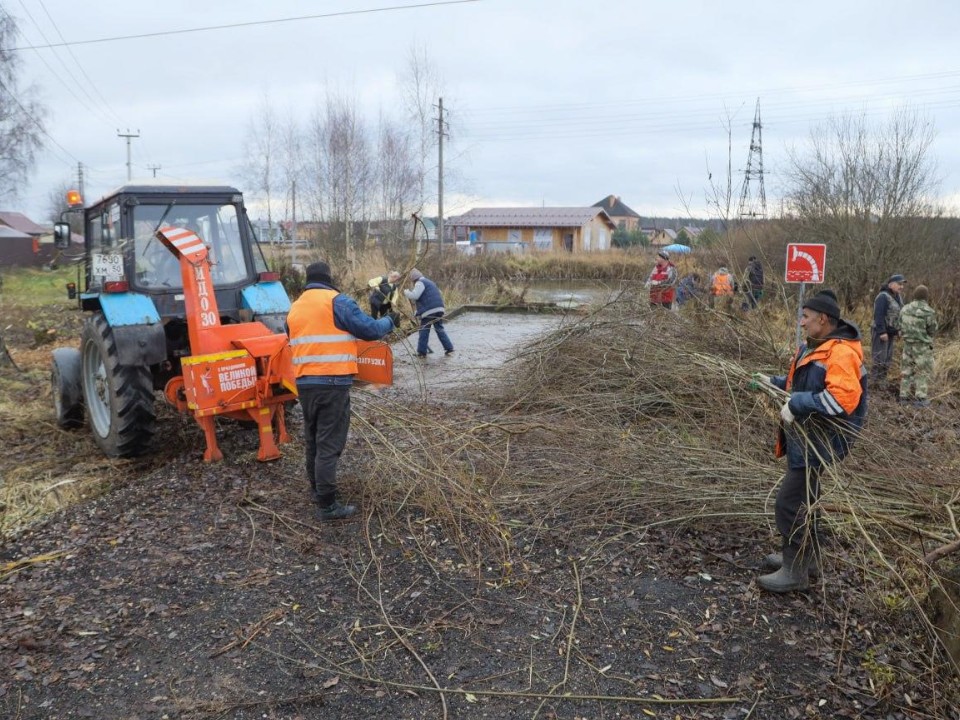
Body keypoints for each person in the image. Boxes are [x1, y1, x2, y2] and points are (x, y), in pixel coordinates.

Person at [753, 289, 867, 593]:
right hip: (805, 438)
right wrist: (773, 384)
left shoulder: (841, 353)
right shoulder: (813, 346)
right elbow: (799, 385)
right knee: (808, 501)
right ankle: (809, 559)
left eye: (805, 317)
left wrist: (797, 404)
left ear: (823, 319)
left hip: (821, 440)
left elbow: (841, 401)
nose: (801, 323)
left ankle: (795, 571)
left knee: (788, 504)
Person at [287, 261, 395, 521]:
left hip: (304, 384)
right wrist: (390, 321)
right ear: (329, 278)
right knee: (329, 444)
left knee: (313, 440)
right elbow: (368, 330)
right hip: (332, 383)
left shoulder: (295, 307)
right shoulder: (337, 301)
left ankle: (317, 491)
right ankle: (327, 506)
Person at [898, 285, 937, 407]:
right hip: (922, 346)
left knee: (906, 370)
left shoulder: (904, 309)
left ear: (914, 295)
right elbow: (933, 330)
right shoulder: (928, 311)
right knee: (922, 371)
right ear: (926, 297)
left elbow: (899, 324)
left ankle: (903, 396)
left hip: (907, 345)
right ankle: (920, 398)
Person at [403, 268, 454, 358]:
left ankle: (422, 352)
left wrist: (407, 292)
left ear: (414, 280)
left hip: (430, 311)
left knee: (424, 331)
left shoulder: (419, 283)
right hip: (439, 309)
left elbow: (415, 296)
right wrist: (418, 313)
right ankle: (449, 348)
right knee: (439, 329)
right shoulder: (430, 282)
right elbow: (428, 299)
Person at [871, 273, 906, 388]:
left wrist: (898, 331)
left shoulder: (898, 297)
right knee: (879, 357)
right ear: (891, 284)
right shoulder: (883, 296)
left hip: (890, 332)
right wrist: (882, 332)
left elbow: (897, 315)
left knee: (888, 357)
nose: (901, 287)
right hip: (881, 332)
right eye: (899, 284)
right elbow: (878, 315)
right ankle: (875, 382)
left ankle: (882, 380)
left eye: (902, 284)